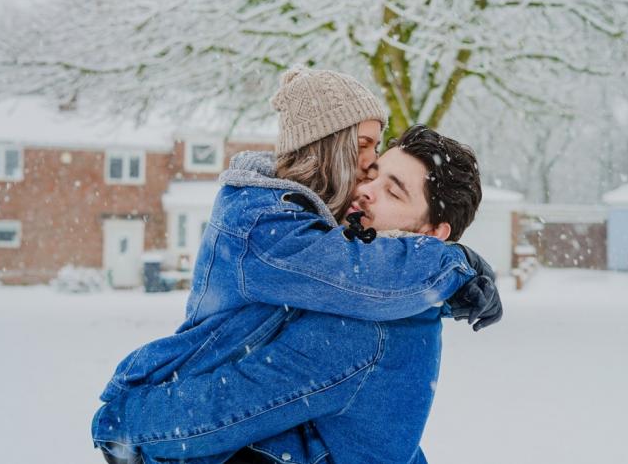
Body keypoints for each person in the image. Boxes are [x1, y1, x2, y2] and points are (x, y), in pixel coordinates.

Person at [92, 69, 501, 463]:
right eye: (369, 168)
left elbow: (232, 403)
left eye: (392, 192)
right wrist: (457, 266)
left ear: (432, 233)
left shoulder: (366, 322)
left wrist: (125, 424)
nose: (364, 187)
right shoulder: (289, 236)